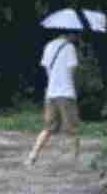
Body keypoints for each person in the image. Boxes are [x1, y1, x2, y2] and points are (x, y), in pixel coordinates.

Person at [27, 31, 81, 167]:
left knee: (48, 128)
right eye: (76, 35)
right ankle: (76, 159)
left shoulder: (49, 46)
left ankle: (33, 155)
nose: (77, 37)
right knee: (72, 128)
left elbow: (47, 70)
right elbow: (72, 70)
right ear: (70, 34)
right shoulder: (70, 48)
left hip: (51, 92)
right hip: (66, 93)